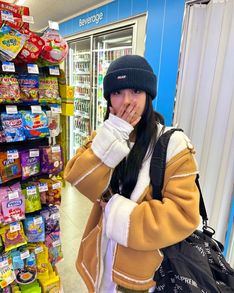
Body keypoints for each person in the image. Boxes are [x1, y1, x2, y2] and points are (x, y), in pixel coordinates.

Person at [64, 55, 200, 293]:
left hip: (141, 270)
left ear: (148, 96)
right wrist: (114, 133)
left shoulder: (174, 145)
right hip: (102, 253)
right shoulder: (106, 135)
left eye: (136, 91)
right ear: (108, 100)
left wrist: (119, 213)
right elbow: (77, 178)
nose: (127, 101)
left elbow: (184, 215)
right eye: (117, 93)